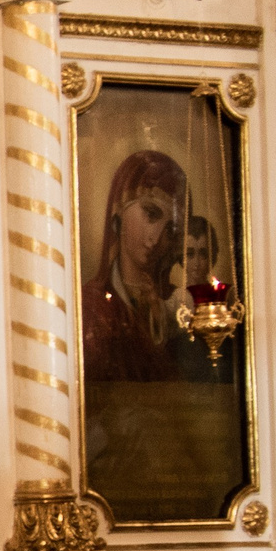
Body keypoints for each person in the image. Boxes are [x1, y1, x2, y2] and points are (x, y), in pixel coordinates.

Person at [82, 150, 185, 386]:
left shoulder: (177, 306)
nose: (156, 238)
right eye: (151, 214)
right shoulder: (92, 305)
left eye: (170, 229)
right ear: (119, 209)